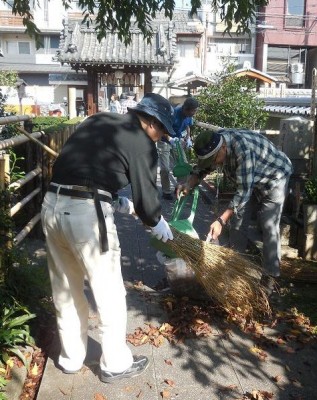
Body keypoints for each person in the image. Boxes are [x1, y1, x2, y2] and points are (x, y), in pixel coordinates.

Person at [41, 93, 174, 384]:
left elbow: (85, 165)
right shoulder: (141, 142)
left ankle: (71, 358)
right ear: (151, 122)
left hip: (52, 204)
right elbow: (146, 202)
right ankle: (115, 363)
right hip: (87, 216)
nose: (160, 138)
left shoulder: (99, 119)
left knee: (65, 286)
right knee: (109, 291)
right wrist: (157, 222)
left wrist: (115, 200)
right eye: (162, 131)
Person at [177, 128, 293, 295]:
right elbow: (202, 169)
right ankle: (236, 268)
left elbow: (243, 193)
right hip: (251, 180)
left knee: (268, 226)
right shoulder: (216, 142)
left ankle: (270, 277)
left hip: (275, 177)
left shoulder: (243, 151)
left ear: (223, 148)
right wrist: (188, 185)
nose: (215, 165)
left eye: (215, 160)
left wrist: (221, 220)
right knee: (238, 224)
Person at [157, 97, 198, 200]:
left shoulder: (189, 115)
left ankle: (180, 187)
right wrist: (170, 139)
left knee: (184, 164)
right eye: (192, 111)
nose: (194, 113)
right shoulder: (173, 113)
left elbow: (188, 125)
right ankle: (166, 191)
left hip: (178, 141)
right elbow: (162, 128)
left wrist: (188, 137)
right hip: (164, 140)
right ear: (186, 109)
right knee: (165, 168)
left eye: (195, 111)